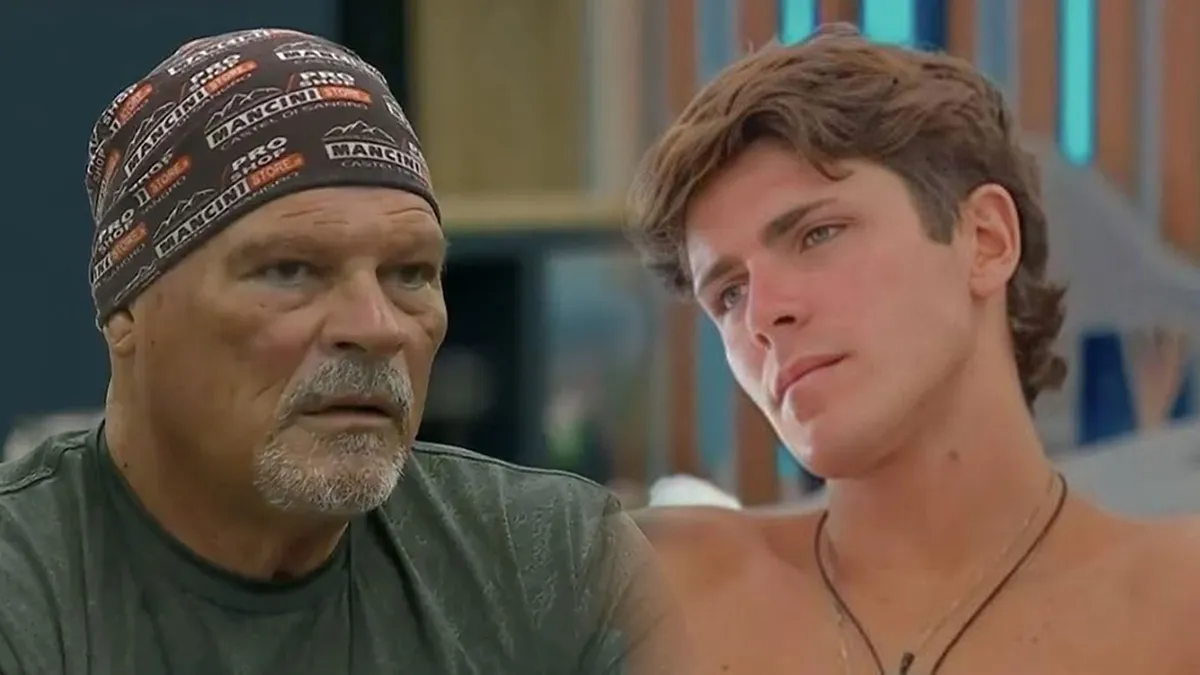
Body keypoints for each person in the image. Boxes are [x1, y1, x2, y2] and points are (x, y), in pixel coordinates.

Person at [0, 29, 682, 675]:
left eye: (410, 273)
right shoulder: (27, 582)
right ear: (125, 310)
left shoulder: (554, 562)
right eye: (290, 270)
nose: (378, 327)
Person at [626, 24, 1200, 675]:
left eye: (818, 234)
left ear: (985, 239)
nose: (762, 314)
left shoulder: (1175, 608)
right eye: (729, 293)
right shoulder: (654, 591)